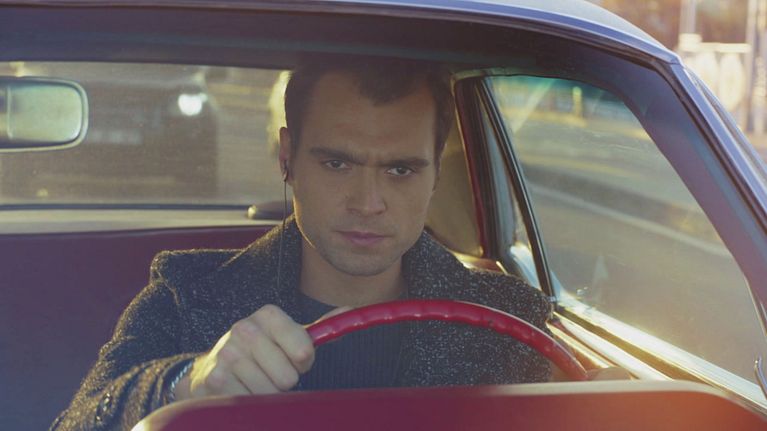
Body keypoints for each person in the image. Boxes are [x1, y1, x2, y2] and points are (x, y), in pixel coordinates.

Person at [51, 56, 554, 431]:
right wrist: (186, 384)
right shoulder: (186, 294)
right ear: (287, 159)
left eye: (400, 170)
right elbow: (78, 421)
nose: (368, 202)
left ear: (436, 173)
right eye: (337, 163)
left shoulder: (512, 324)